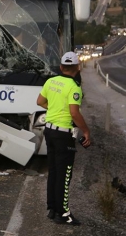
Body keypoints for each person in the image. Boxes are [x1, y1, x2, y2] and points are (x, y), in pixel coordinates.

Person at [36, 51, 90, 226]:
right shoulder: (74, 87)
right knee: (65, 175)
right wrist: (86, 131)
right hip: (63, 134)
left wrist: (54, 108)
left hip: (49, 132)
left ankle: (52, 209)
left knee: (53, 171)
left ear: (60, 67)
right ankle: (63, 213)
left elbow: (39, 101)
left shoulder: (50, 81)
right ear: (77, 68)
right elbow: (74, 113)